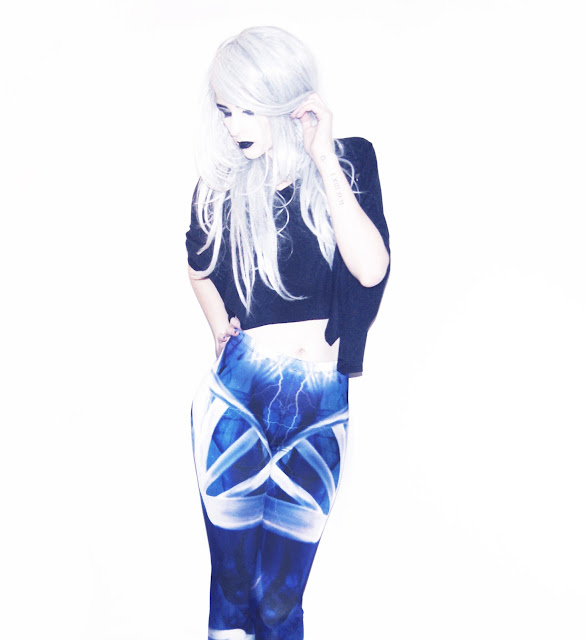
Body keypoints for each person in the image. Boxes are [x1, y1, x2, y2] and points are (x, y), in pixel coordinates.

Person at [186, 26, 390, 640]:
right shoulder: (220, 190)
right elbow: (197, 268)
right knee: (232, 592)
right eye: (225, 110)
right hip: (237, 394)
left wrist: (321, 155)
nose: (233, 125)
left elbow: (370, 267)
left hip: (320, 400)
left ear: (281, 97)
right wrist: (220, 329)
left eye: (246, 108)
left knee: (279, 600)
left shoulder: (349, 160)